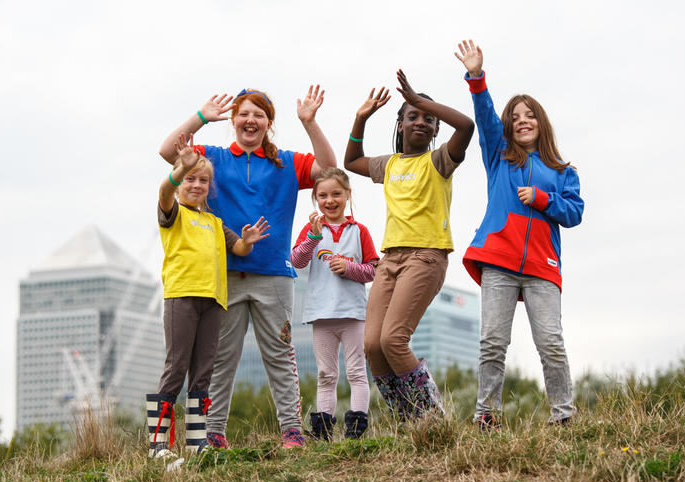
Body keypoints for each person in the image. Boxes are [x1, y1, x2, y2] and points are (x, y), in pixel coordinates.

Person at [159, 86, 336, 448]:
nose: (250, 120)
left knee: (280, 356)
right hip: (224, 279)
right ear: (234, 120)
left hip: (274, 275)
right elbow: (167, 152)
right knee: (221, 360)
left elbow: (330, 169)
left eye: (258, 115)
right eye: (243, 114)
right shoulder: (215, 159)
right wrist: (202, 117)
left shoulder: (287, 162)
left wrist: (310, 122)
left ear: (268, 123)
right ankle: (212, 433)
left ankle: (291, 430)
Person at [454, 39, 584, 430]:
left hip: (543, 267)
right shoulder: (498, 155)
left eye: (530, 115)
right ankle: (486, 416)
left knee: (551, 345)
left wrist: (544, 199)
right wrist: (476, 76)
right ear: (509, 127)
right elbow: (485, 115)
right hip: (499, 260)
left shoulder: (563, 171)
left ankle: (564, 417)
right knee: (493, 343)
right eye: (516, 117)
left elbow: (575, 212)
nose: (522, 120)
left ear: (541, 122)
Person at [344, 70, 475, 420]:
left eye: (428, 119)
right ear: (400, 125)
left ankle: (431, 419)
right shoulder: (389, 165)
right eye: (412, 116)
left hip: (426, 257)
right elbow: (351, 161)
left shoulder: (440, 161)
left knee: (393, 340)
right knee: (372, 345)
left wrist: (419, 99)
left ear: (435, 130)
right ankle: (407, 418)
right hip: (390, 260)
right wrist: (361, 118)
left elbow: (466, 127)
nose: (421, 121)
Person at [147, 133, 269, 458]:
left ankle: (197, 441)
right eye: (190, 179)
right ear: (180, 181)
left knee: (203, 373)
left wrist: (248, 239)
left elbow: (238, 248)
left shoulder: (214, 222)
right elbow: (163, 191)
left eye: (203, 180)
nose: (196, 185)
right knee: (176, 368)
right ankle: (157, 443)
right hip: (182, 298)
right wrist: (178, 170)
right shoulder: (173, 213)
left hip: (214, 302)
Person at [291, 167, 379, 440]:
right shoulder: (312, 229)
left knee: (356, 372)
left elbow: (374, 270)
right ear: (316, 198)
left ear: (348, 195)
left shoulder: (359, 231)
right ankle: (323, 432)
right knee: (326, 375)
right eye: (323, 195)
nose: (330, 201)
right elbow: (296, 261)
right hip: (321, 314)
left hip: (353, 314)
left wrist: (349, 268)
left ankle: (355, 432)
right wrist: (314, 237)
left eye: (336, 194)